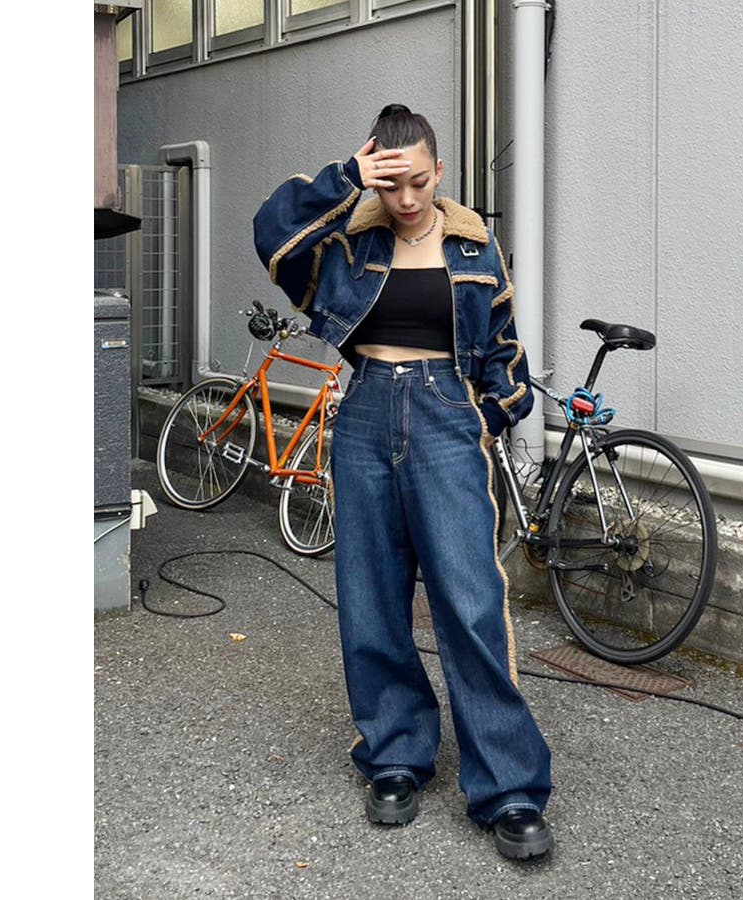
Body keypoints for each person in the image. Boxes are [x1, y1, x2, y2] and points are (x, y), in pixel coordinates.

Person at [253, 104, 553, 861]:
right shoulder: (348, 245)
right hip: (364, 417)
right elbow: (271, 232)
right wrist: (346, 180)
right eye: (391, 185)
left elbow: (504, 347)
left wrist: (488, 414)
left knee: (469, 600)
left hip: (447, 417)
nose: (408, 198)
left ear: (439, 172)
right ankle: (395, 756)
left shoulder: (474, 245)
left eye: (419, 181)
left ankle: (509, 787)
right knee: (372, 596)